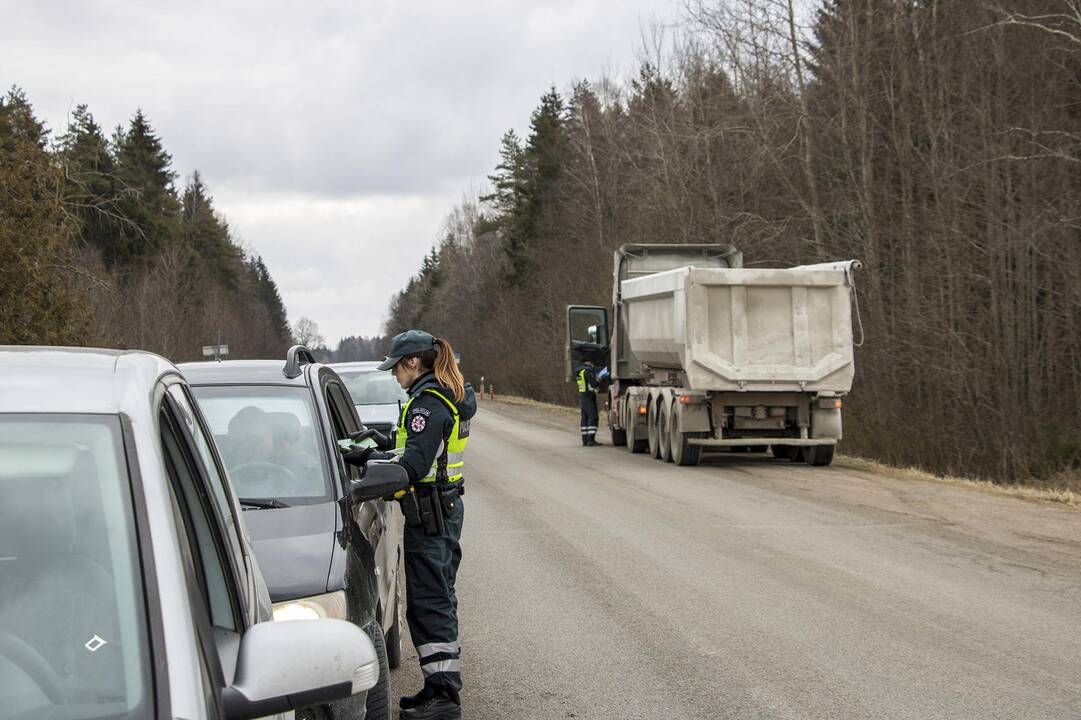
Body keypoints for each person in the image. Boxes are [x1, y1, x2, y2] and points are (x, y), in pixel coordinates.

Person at [343, 330, 475, 720]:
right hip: (439, 511)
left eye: (395, 367)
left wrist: (368, 479)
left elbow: (414, 466)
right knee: (431, 602)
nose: (393, 375)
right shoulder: (437, 397)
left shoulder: (428, 404)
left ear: (413, 362)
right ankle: (436, 689)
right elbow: (419, 449)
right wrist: (377, 447)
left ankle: (445, 699)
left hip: (432, 515)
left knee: (431, 604)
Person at [576, 359, 601, 446]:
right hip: (589, 397)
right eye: (592, 363)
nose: (593, 365)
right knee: (593, 417)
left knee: (585, 418)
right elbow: (593, 384)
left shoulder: (579, 371)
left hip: (583, 396)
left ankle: (585, 440)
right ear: (589, 363)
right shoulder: (588, 371)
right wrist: (599, 379)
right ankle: (591, 440)